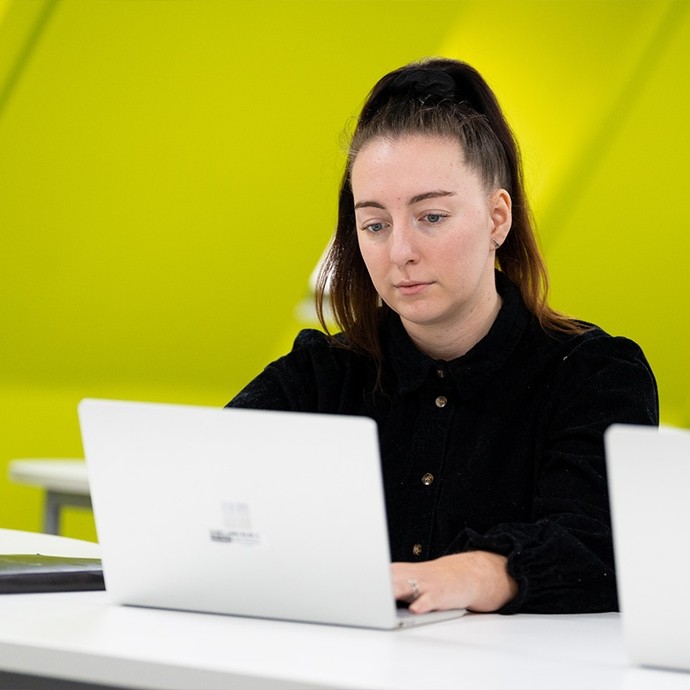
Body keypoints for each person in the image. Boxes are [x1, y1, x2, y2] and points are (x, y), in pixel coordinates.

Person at [227, 57, 658, 614]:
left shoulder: (594, 376)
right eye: (375, 224)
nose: (400, 250)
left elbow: (604, 548)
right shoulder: (320, 377)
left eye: (430, 216)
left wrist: (485, 570)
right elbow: (203, 495)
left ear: (497, 217)